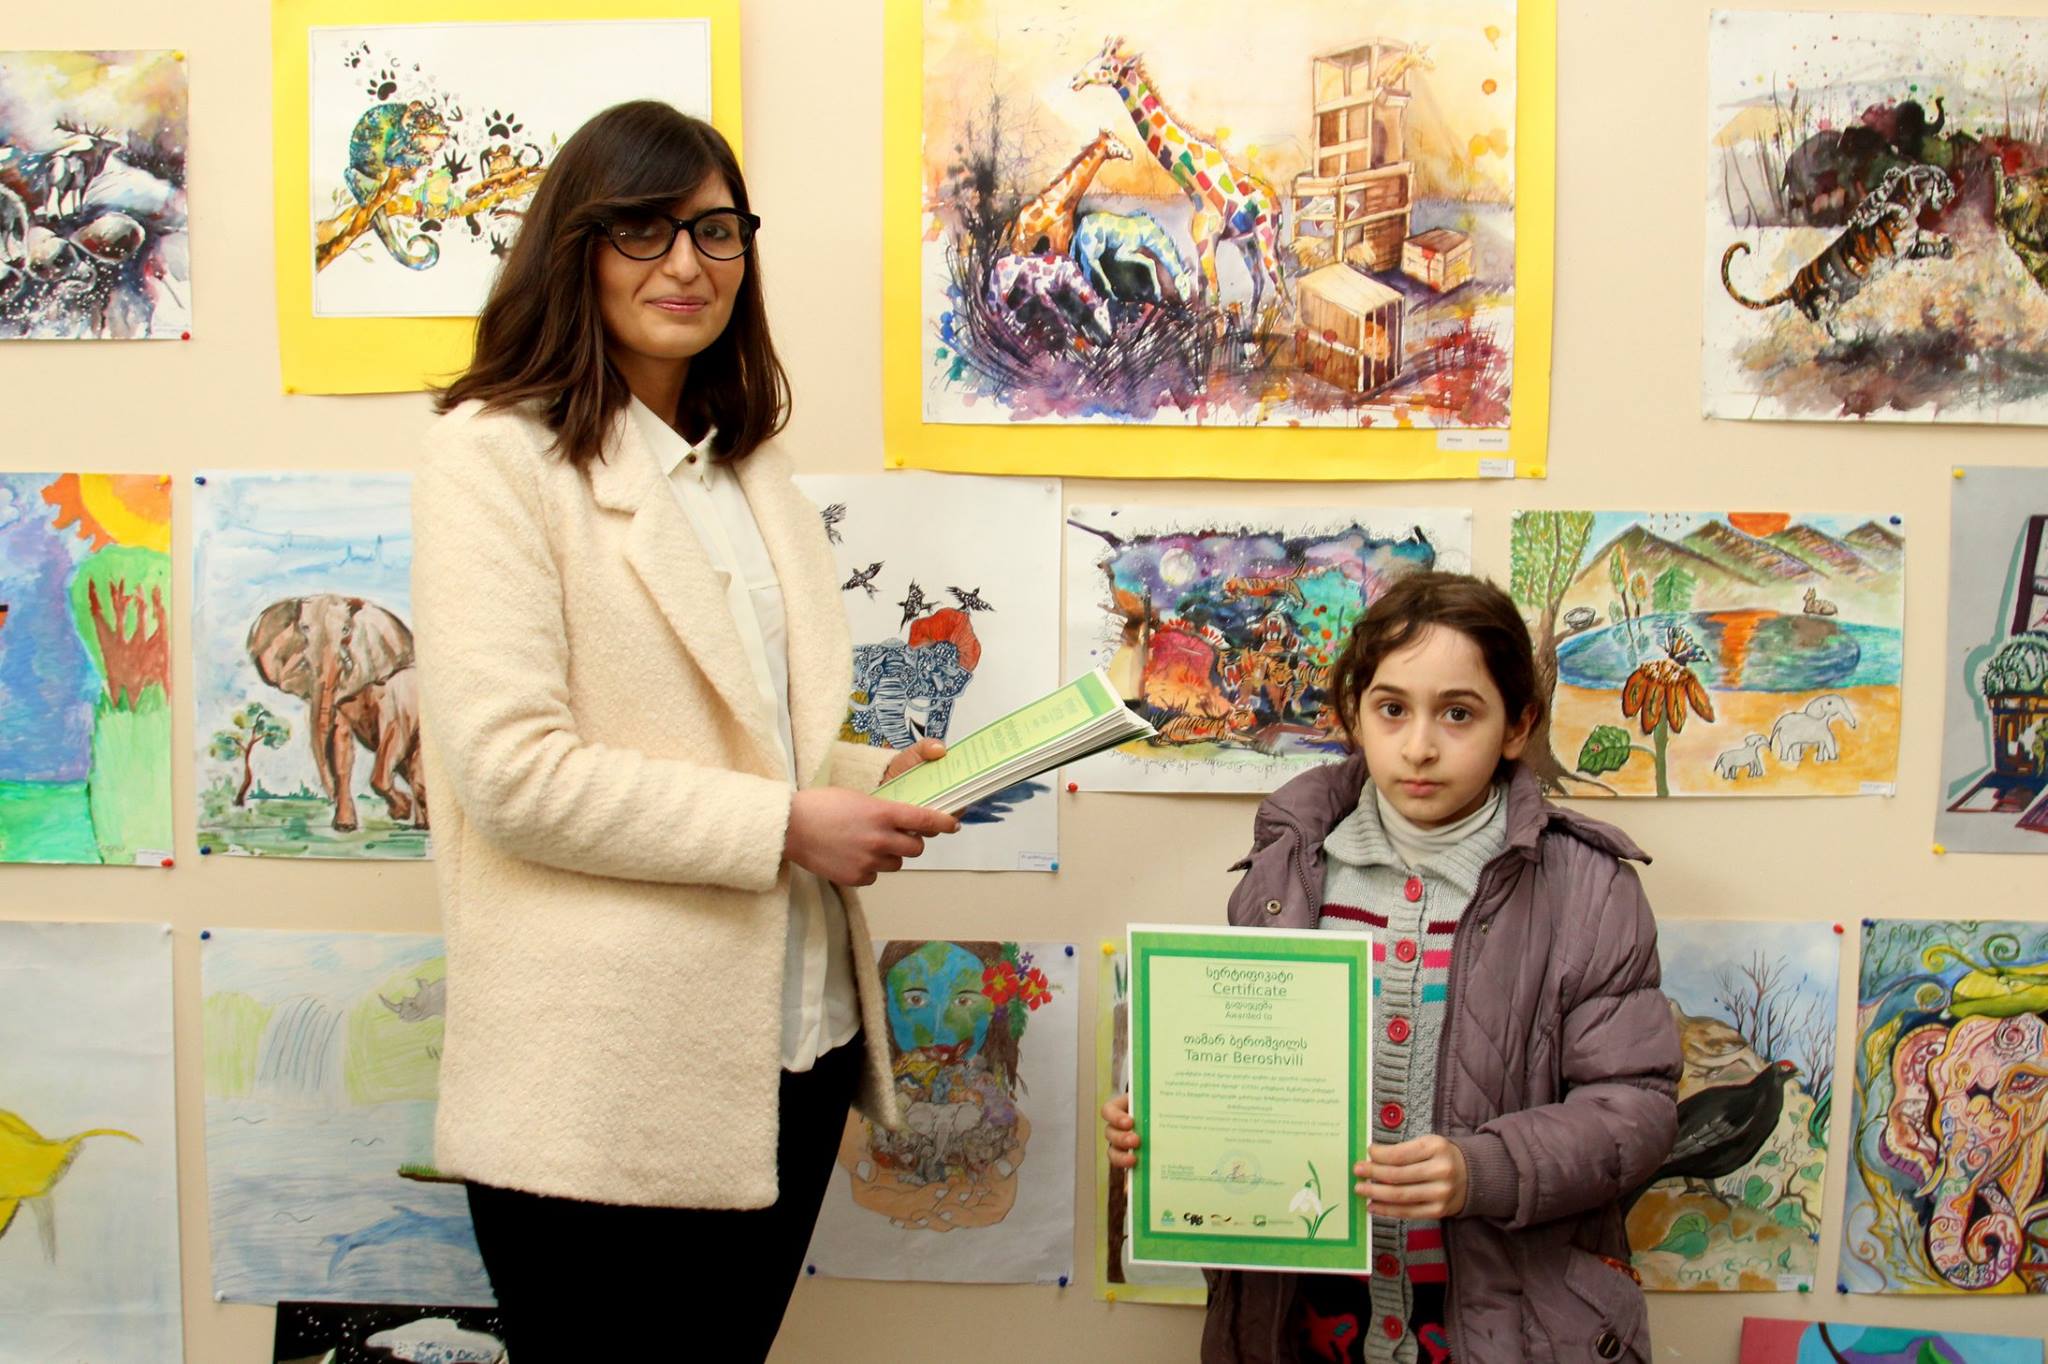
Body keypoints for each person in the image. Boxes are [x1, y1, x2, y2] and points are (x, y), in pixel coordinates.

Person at [411, 101, 957, 1361]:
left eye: (716, 231)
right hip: (603, 1080)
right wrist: (790, 824)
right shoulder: (491, 456)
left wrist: (866, 774)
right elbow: (511, 774)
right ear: (575, 247)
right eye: (642, 230)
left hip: (793, 1045)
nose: (687, 263)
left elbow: (750, 736)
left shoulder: (745, 466)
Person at [1102, 571, 1681, 1363]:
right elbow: (1249, 1072)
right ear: (1354, 716)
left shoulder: (1587, 886)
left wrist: (1484, 1169)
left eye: (1459, 713)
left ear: (1517, 725)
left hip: (1503, 1324)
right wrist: (1169, 1121)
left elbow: (1635, 1111)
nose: (1419, 746)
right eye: (1393, 709)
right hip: (1304, 1316)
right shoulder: (1289, 871)